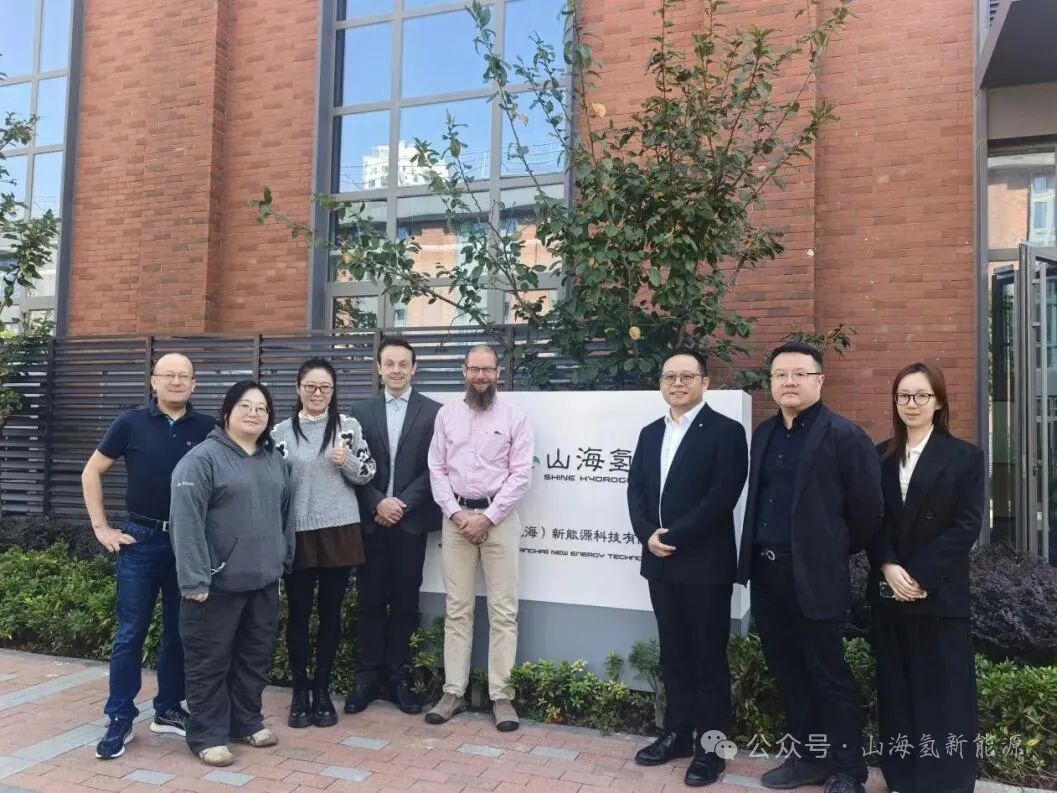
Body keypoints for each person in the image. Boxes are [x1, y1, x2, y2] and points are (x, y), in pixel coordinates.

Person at [736, 342, 883, 793]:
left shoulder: (845, 436)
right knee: (789, 673)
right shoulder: (764, 433)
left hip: (815, 578)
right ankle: (808, 759)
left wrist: (827, 550)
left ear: (819, 380)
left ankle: (849, 771)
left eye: (799, 374)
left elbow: (868, 514)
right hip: (767, 576)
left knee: (828, 675)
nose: (789, 382)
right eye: (780, 375)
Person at [81, 353, 214, 760]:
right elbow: (92, 471)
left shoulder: (208, 428)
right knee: (130, 632)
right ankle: (120, 716)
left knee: (178, 630)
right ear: (153, 382)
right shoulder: (130, 423)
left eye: (184, 376)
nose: (176, 381)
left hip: (187, 542)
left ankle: (168, 708)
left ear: (194, 384)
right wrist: (102, 528)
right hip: (140, 540)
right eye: (168, 375)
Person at [627, 349, 748, 787]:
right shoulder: (650, 433)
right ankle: (676, 734)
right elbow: (636, 490)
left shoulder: (726, 432)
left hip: (704, 565)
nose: (677, 384)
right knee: (673, 654)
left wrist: (674, 536)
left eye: (687, 376)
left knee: (708, 658)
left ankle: (711, 749)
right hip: (659, 563)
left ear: (705, 383)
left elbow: (722, 497)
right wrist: (647, 535)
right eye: (669, 377)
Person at [867, 363, 983, 793]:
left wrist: (917, 575)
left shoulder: (965, 456)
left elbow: (967, 525)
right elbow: (870, 520)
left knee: (945, 695)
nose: (911, 404)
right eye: (903, 396)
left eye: (921, 396)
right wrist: (887, 565)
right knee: (896, 690)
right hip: (889, 590)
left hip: (939, 593)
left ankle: (947, 782)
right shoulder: (879, 455)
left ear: (938, 402)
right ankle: (902, 777)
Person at [169, 381, 293, 767]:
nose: (254, 413)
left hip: (263, 580)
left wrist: (282, 561)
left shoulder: (274, 460)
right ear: (227, 411)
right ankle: (207, 735)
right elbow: (185, 523)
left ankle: (246, 721)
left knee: (254, 658)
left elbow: (286, 515)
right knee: (209, 663)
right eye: (245, 406)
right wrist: (194, 579)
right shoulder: (201, 460)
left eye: (262, 408)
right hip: (215, 585)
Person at [424, 345, 534, 732]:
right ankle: (453, 691)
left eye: (488, 370)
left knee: (503, 611)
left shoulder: (515, 418)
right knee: (458, 609)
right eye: (475, 369)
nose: (481, 376)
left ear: (498, 372)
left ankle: (501, 696)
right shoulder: (447, 415)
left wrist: (487, 517)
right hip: (455, 519)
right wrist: (456, 514)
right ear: (464, 371)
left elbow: (521, 474)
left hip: (499, 520)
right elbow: (436, 468)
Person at [272, 358, 376, 729]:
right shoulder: (280, 432)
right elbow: (272, 483)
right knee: (299, 614)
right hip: (298, 530)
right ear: (298, 388)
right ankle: (299, 691)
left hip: (339, 529)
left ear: (333, 391)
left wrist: (347, 461)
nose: (318, 393)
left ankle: (322, 689)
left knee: (331, 614)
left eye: (325, 388)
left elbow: (367, 472)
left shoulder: (348, 427)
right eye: (311, 387)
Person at [347, 337, 441, 715]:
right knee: (369, 601)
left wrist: (401, 504)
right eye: (390, 363)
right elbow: (351, 464)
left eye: (404, 364)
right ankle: (367, 676)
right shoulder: (360, 411)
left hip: (410, 522)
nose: (397, 370)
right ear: (379, 368)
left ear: (414, 368)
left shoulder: (434, 412)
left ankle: (398, 675)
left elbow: (437, 467)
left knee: (405, 602)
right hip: (371, 521)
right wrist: (376, 502)